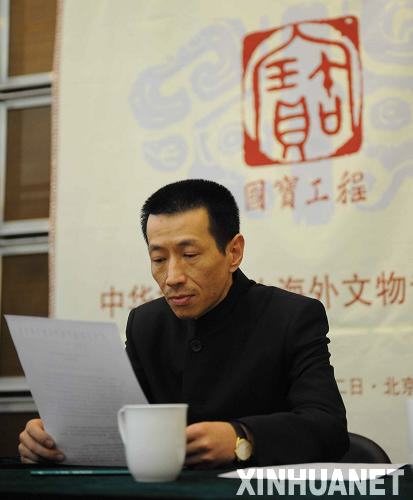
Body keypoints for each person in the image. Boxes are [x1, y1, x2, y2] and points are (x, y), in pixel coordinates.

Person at [18, 179, 349, 467]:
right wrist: (54, 438)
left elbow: (328, 426)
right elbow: (119, 419)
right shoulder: (146, 324)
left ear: (233, 252)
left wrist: (241, 437)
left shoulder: (290, 316)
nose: (172, 277)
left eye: (189, 255)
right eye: (159, 259)